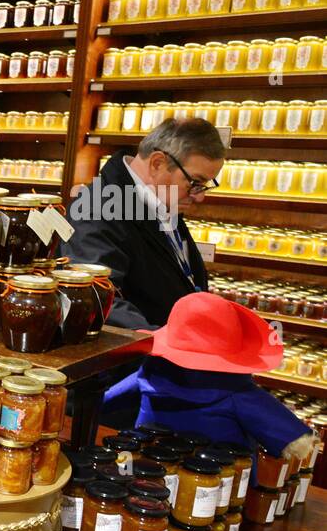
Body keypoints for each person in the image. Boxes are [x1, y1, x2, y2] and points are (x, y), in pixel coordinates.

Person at [103, 292, 314, 461]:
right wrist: (295, 439)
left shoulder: (152, 373)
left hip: (149, 458)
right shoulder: (236, 393)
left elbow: (108, 399)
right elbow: (287, 433)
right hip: (220, 470)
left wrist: (92, 404)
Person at [66, 118, 225, 330]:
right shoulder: (97, 208)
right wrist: (165, 342)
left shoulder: (160, 199)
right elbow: (97, 296)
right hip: (136, 357)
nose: (199, 197)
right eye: (195, 183)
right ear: (157, 163)